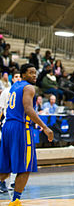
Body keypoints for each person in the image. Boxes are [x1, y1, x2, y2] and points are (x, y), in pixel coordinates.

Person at [0, 63, 53, 205]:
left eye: (35, 73)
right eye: (31, 73)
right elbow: (28, 109)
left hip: (7, 126)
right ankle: (15, 201)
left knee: (6, 168)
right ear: (23, 74)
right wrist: (45, 127)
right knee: (25, 166)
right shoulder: (28, 87)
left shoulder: (14, 87)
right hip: (20, 128)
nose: (34, 75)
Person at [0, 70, 21, 195]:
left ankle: (13, 182)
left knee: (16, 154)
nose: (18, 79)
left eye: (20, 77)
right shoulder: (6, 92)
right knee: (6, 155)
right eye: (16, 77)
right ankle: (2, 181)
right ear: (13, 79)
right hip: (7, 126)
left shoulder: (24, 91)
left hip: (18, 127)